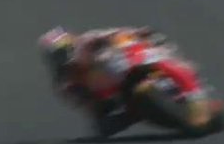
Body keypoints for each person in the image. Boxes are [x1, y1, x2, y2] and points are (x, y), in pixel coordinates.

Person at [39, 26, 177, 138]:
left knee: (154, 43)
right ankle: (140, 114)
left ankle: (174, 71)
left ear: (70, 44)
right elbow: (87, 106)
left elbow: (116, 33)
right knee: (102, 129)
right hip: (111, 94)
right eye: (56, 55)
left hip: (122, 65)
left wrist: (140, 33)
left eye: (62, 52)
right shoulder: (64, 82)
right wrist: (96, 104)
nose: (62, 57)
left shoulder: (87, 41)